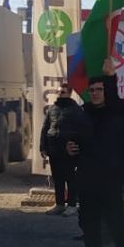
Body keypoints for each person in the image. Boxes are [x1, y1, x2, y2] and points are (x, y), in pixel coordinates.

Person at [70, 76, 124, 247]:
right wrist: (69, 150)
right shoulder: (82, 115)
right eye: (92, 90)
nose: (96, 93)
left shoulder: (119, 116)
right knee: (90, 230)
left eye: (100, 89)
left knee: (118, 230)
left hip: (111, 183)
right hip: (88, 182)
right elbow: (73, 144)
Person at [40, 83, 85, 215]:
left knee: (70, 178)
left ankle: (71, 205)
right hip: (54, 149)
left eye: (63, 92)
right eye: (59, 92)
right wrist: (43, 147)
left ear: (69, 93)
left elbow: (81, 130)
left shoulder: (76, 109)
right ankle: (59, 204)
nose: (61, 94)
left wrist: (77, 146)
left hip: (68, 150)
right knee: (57, 178)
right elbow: (45, 127)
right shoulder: (52, 108)